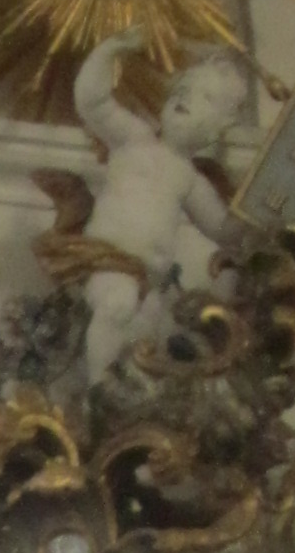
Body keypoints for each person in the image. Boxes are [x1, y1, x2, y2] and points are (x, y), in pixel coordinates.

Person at [73, 36, 253, 386]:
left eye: (206, 98)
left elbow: (222, 228)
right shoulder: (134, 138)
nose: (186, 96)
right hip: (109, 262)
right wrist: (109, 50)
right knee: (117, 306)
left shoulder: (190, 179)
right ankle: (95, 391)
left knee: (143, 346)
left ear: (218, 129)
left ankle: (118, 401)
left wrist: (258, 212)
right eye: (184, 88)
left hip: (152, 282)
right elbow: (92, 102)